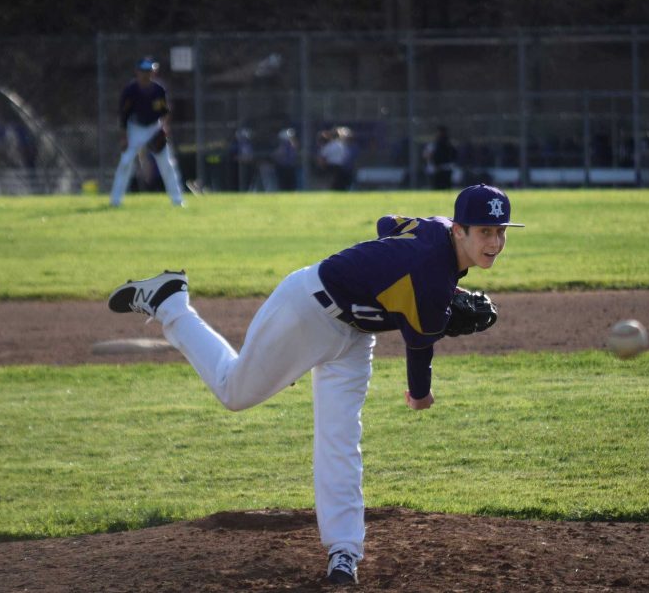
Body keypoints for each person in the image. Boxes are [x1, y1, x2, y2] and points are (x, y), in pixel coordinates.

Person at [107, 184, 524, 585]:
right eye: (484, 231)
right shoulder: (431, 283)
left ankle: (344, 550)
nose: (495, 241)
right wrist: (420, 396)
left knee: (340, 438)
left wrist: (385, 271)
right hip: (305, 309)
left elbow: (386, 224)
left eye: (501, 231)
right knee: (233, 391)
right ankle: (171, 303)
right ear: (459, 230)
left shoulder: (432, 229)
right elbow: (420, 351)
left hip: (356, 335)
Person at [109, 57, 185, 208]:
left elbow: (165, 112)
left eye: (149, 71)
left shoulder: (158, 90)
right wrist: (124, 137)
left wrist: (164, 128)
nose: (146, 74)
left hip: (154, 127)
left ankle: (177, 200)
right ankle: (115, 201)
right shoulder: (130, 90)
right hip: (135, 128)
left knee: (167, 164)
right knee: (125, 163)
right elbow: (123, 115)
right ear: (137, 72)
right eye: (143, 71)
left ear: (154, 72)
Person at [423, 126, 458, 190]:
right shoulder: (434, 144)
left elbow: (454, 154)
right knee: (437, 186)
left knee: (446, 186)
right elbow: (426, 155)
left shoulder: (449, 144)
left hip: (446, 167)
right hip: (437, 168)